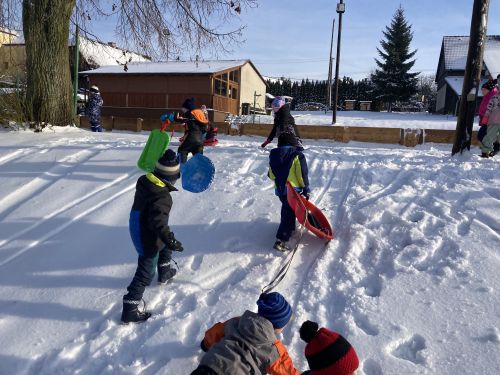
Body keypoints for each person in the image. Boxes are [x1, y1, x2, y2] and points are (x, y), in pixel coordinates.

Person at [121, 149, 184, 324]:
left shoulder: (145, 182)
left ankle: (164, 272)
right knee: (145, 272)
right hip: (146, 236)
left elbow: (157, 223)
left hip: (139, 224)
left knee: (164, 243)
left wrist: (167, 239)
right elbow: (159, 224)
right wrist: (170, 239)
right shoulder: (162, 197)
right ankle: (130, 308)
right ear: (172, 177)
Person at [191, 292, 300, 375]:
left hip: (210, 364)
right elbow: (287, 370)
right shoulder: (274, 349)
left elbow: (215, 331)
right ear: (277, 325)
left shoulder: (237, 322)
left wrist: (206, 344)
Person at [268, 132, 310, 252]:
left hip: (281, 191)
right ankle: (281, 240)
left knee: (288, 209)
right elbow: (302, 174)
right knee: (288, 212)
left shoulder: (274, 155)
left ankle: (290, 228)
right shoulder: (297, 155)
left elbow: (271, 175)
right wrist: (306, 188)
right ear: (292, 143)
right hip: (293, 190)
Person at [176, 98, 209, 163]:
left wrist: (175, 118)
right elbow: (205, 127)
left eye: (184, 108)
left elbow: (182, 119)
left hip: (191, 137)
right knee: (198, 156)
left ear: (188, 108)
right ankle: (200, 169)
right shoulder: (199, 113)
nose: (182, 110)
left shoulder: (189, 113)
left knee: (182, 150)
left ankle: (181, 168)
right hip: (200, 140)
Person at [480, 80, 500, 158]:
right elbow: (489, 108)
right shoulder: (495, 96)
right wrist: (485, 118)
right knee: (489, 136)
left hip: (494, 119)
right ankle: (485, 152)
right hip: (494, 120)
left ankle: (494, 148)